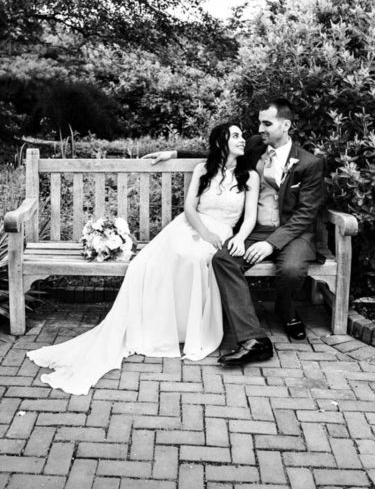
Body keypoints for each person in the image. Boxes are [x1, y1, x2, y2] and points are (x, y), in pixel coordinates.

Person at [26, 123, 260, 395]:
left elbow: (251, 217)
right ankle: (161, 324)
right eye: (235, 136)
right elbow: (189, 208)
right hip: (191, 226)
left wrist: (240, 237)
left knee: (197, 258)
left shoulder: (250, 176)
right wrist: (204, 232)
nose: (242, 140)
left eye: (242, 135)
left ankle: (189, 329)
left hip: (224, 231)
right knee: (150, 262)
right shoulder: (203, 170)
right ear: (221, 142)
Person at [143, 98, 327, 366]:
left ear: (285, 125)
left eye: (267, 123)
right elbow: (219, 150)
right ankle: (254, 339)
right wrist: (174, 154)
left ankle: (286, 310)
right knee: (223, 260)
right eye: (260, 122)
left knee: (290, 270)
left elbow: (305, 215)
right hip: (257, 229)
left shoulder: (309, 163)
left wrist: (271, 244)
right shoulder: (255, 146)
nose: (260, 128)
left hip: (294, 233)